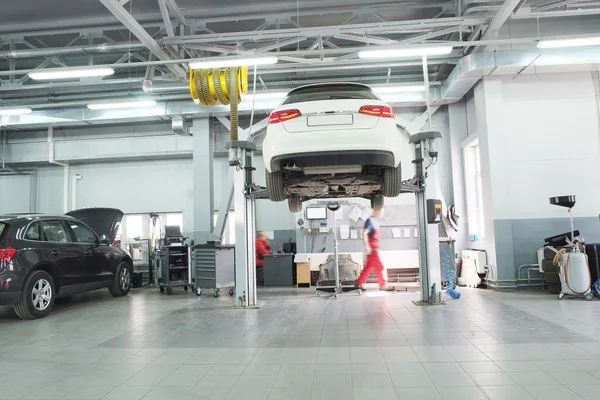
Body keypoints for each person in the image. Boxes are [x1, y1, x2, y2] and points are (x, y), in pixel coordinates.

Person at [355, 208, 391, 291]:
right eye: (381, 212)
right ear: (376, 211)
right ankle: (383, 285)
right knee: (380, 266)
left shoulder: (375, 221)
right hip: (373, 248)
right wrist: (367, 246)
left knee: (369, 267)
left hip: (375, 248)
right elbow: (364, 233)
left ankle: (358, 283)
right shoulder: (370, 220)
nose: (382, 214)